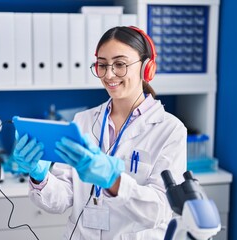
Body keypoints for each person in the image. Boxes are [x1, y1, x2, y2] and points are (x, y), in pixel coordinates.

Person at [13, 26, 187, 240]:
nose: (109, 74)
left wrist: (114, 181)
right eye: (102, 65)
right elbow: (60, 200)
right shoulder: (83, 121)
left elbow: (159, 210)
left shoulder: (170, 130)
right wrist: (40, 176)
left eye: (120, 64)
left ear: (147, 68)